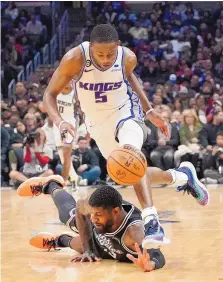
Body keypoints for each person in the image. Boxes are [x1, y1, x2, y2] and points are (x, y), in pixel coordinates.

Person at [43, 24, 209, 248]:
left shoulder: (127, 57)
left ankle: (152, 221)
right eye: (100, 54)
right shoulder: (75, 58)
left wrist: (148, 110)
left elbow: (130, 77)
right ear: (90, 48)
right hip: (97, 123)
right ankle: (181, 177)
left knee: (131, 156)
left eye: (110, 54)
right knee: (125, 174)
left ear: (118, 46)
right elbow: (49, 94)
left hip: (126, 113)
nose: (105, 59)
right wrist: (60, 121)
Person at [18, 174, 200, 271]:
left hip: (113, 251)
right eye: (93, 213)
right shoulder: (95, 209)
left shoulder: (134, 232)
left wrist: (150, 264)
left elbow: (157, 255)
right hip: (102, 242)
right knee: (69, 218)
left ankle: (58, 240)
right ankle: (50, 185)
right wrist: (88, 249)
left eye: (97, 214)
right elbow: (83, 209)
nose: (93, 217)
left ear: (115, 211)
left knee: (79, 244)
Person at [40, 83, 79, 187]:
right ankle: (74, 178)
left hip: (69, 124)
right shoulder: (53, 93)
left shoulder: (75, 93)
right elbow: (43, 109)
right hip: (57, 126)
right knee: (63, 156)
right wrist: (46, 97)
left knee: (66, 153)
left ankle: (64, 182)